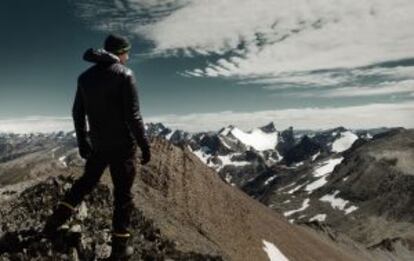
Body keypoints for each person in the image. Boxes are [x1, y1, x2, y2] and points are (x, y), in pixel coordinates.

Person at [42, 34, 151, 260]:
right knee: (123, 196)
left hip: (98, 145)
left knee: (84, 183)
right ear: (119, 52)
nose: (128, 57)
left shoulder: (85, 77)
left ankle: (53, 223)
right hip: (123, 148)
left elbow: (77, 113)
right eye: (126, 52)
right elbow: (133, 116)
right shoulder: (126, 75)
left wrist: (83, 141)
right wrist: (144, 145)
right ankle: (120, 248)